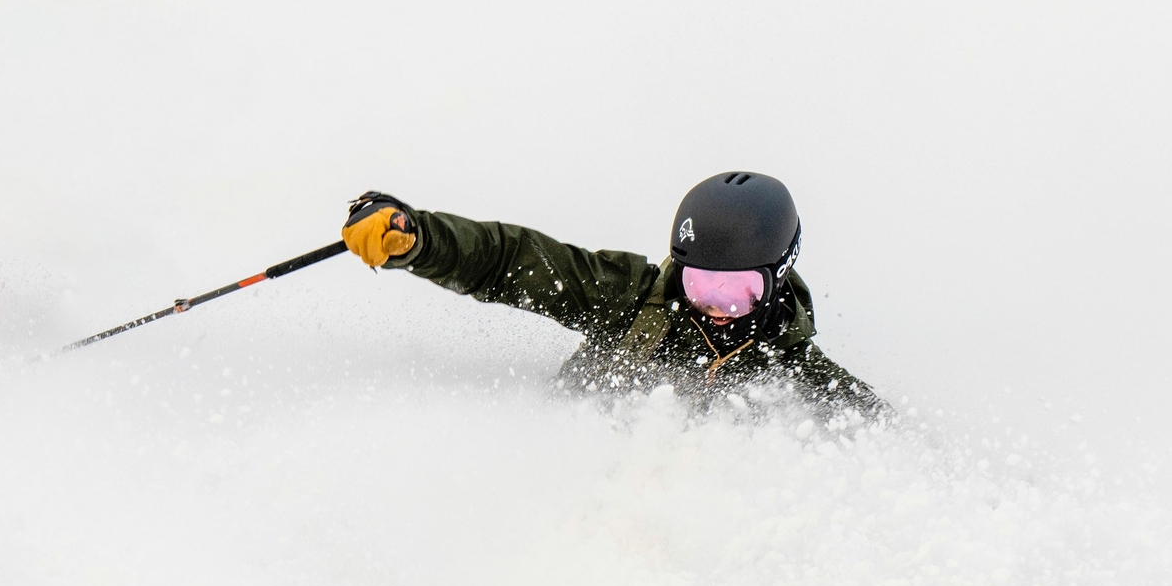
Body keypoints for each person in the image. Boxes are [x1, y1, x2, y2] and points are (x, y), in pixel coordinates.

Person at [340, 172, 881, 411]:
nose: (715, 305)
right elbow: (511, 260)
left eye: (737, 290)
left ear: (777, 275)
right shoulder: (630, 300)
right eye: (698, 283)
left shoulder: (798, 374)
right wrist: (420, 239)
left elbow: (883, 444)